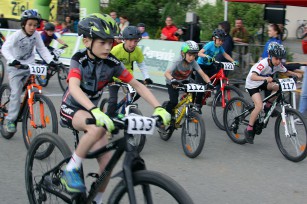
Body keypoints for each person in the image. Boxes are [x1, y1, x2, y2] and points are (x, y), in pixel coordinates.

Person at [59, 14, 170, 203]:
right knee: (96, 127)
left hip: (93, 111)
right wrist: (95, 110)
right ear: (86, 41)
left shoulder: (112, 62)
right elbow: (74, 88)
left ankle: (98, 200)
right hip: (72, 107)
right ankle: (70, 169)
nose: (108, 47)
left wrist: (158, 107)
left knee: (107, 164)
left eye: (110, 42)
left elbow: (137, 84)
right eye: (102, 42)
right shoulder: (79, 59)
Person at [1, 9, 56, 133]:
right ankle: (10, 119)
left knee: (33, 89)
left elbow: (42, 49)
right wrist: (12, 60)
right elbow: (5, 48)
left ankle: (29, 103)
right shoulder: (17, 35)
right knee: (16, 93)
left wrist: (51, 61)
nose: (32, 28)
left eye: (35, 25)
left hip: (30, 66)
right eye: (30, 24)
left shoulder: (36, 35)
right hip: (16, 67)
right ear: (23, 24)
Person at [244, 42, 301, 144]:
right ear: (270, 56)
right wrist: (265, 78)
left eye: (280, 59)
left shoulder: (277, 64)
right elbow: (252, 76)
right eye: (276, 58)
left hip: (263, 82)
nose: (278, 61)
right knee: (258, 106)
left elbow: (285, 71)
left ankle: (268, 105)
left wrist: (294, 74)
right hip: (252, 84)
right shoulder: (264, 64)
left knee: (279, 87)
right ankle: (249, 128)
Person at [107, 26, 153, 117]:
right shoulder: (116, 50)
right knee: (112, 101)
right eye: (130, 41)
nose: (133, 44)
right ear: (124, 40)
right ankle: (108, 119)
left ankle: (123, 112)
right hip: (114, 77)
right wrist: (109, 78)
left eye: (136, 41)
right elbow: (107, 64)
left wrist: (147, 77)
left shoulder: (137, 51)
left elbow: (142, 65)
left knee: (139, 91)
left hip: (127, 77)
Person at [194, 29, 239, 112]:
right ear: (214, 39)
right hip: (201, 66)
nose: (221, 42)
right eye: (219, 40)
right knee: (201, 87)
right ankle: (197, 105)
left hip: (210, 66)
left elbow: (225, 55)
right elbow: (199, 53)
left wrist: (233, 61)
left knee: (218, 79)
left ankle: (221, 97)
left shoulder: (220, 47)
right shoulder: (210, 45)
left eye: (223, 41)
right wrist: (206, 56)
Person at [164, 40, 213, 115]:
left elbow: (203, 74)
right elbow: (167, 73)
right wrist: (172, 80)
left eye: (194, 55)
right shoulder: (178, 61)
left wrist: (209, 83)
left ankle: (190, 109)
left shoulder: (193, 62)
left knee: (194, 87)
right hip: (173, 82)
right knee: (174, 102)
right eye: (190, 55)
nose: (192, 58)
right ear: (183, 53)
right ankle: (166, 114)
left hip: (184, 80)